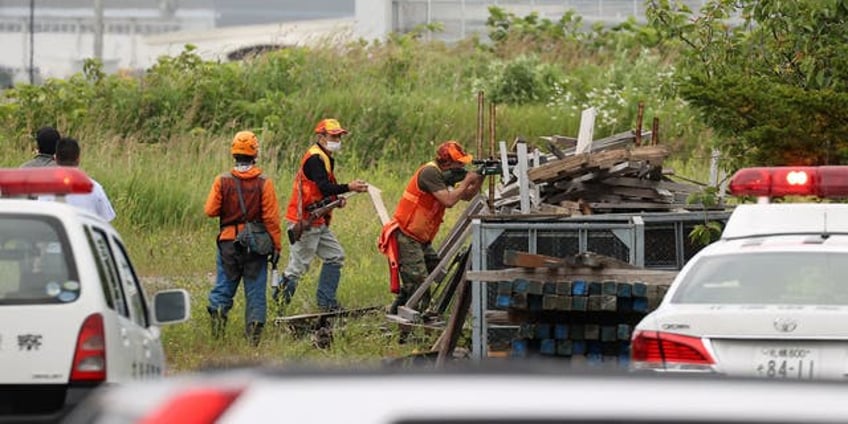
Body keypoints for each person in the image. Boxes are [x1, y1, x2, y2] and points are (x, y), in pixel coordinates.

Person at [274, 118, 368, 313]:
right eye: (333, 136)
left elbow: (321, 190)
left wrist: (336, 198)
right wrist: (349, 187)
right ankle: (277, 309)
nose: (338, 139)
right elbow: (323, 187)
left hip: (316, 220)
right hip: (306, 221)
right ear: (321, 137)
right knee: (297, 269)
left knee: (335, 256)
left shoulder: (323, 156)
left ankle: (327, 304)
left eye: (339, 136)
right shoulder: (315, 158)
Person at [379, 141, 483, 315]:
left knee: (431, 272)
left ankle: (395, 313)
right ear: (447, 163)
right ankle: (416, 324)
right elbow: (449, 201)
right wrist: (466, 181)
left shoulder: (443, 175)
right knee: (420, 283)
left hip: (420, 238)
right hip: (406, 235)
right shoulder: (430, 172)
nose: (463, 166)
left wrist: (479, 179)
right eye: (459, 163)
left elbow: (465, 196)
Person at [204, 130, 282, 346]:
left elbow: (210, 210)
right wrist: (276, 246)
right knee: (256, 289)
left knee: (224, 285)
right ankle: (253, 340)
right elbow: (272, 219)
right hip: (256, 245)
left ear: (234, 153)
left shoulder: (222, 181)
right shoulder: (264, 183)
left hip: (228, 243)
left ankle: (217, 335)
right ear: (255, 153)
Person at [38, 137, 117, 223]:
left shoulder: (44, 190)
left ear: (56, 159)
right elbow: (106, 221)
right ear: (78, 159)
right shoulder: (95, 188)